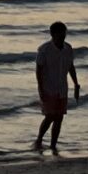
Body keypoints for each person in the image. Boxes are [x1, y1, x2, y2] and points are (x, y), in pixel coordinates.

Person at [33, 23, 79, 151]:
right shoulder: (44, 50)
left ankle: (53, 145)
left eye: (64, 33)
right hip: (49, 88)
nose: (62, 36)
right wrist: (41, 89)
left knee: (59, 117)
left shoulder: (68, 48)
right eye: (60, 34)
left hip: (62, 88)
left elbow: (71, 67)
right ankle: (39, 139)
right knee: (50, 116)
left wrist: (76, 84)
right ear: (52, 34)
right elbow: (39, 71)